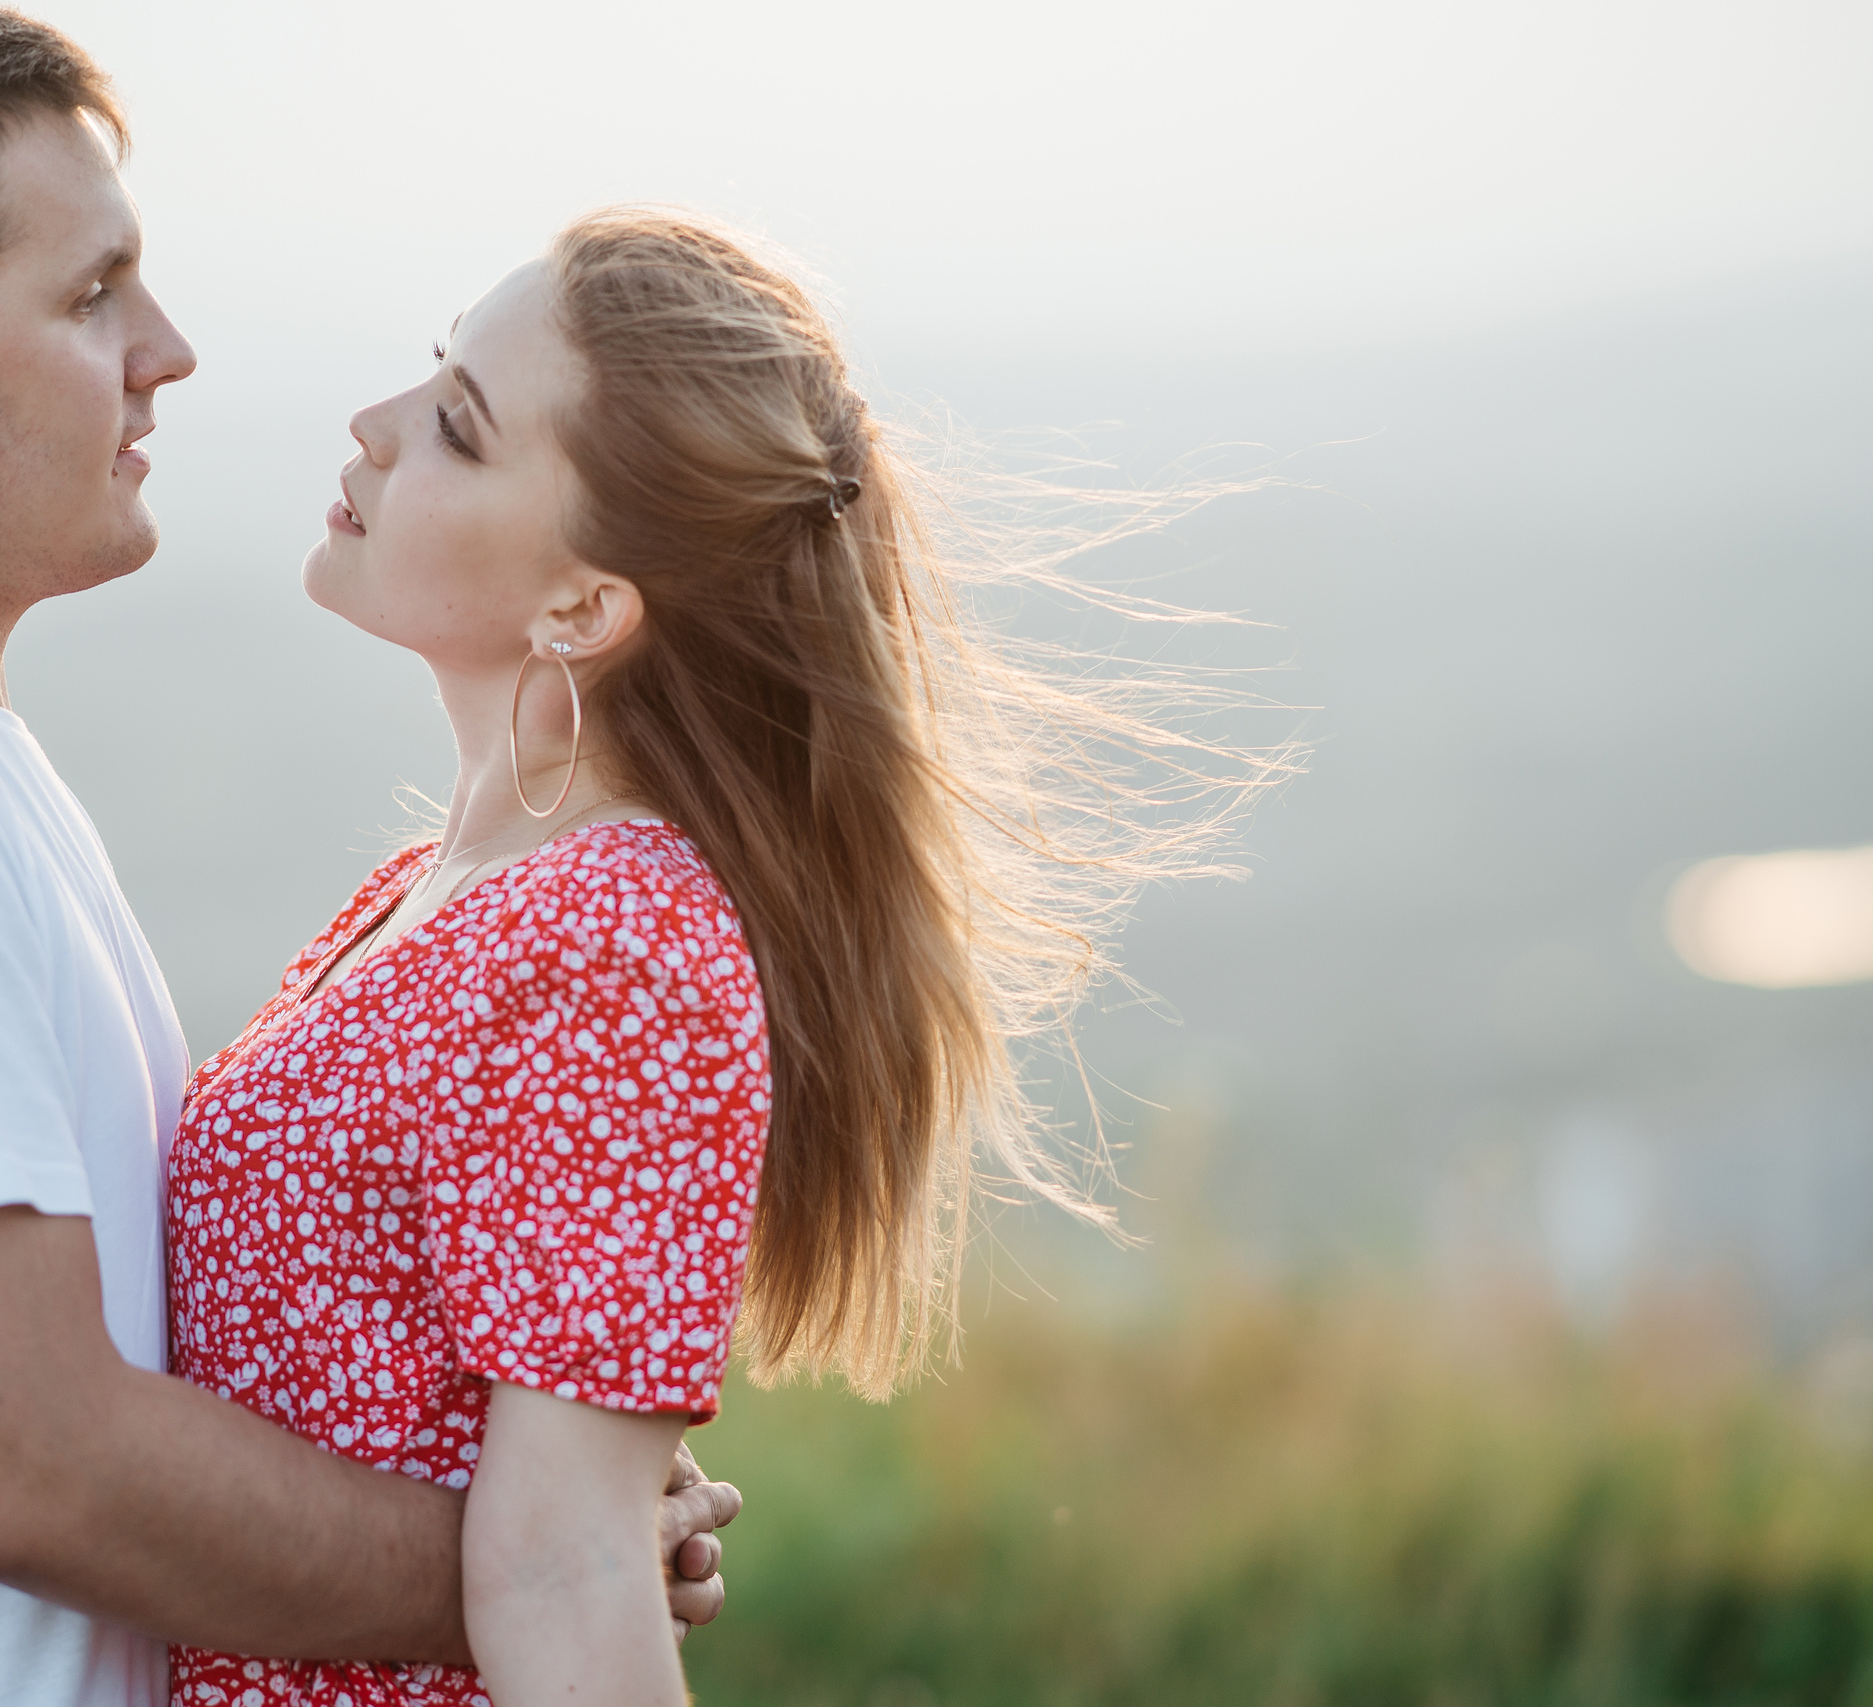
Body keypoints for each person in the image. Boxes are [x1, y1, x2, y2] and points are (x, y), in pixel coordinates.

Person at [0, 6, 732, 1705]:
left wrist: (567, 1531)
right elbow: (29, 1459)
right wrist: (528, 1561)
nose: (165, 349)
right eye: (93, 296)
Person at [166, 210, 1255, 1706]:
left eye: (460, 429)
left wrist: (612, 1532)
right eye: (430, 377)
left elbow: (568, 1570)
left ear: (585, 606)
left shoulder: (616, 938)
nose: (374, 425)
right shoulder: (433, 892)